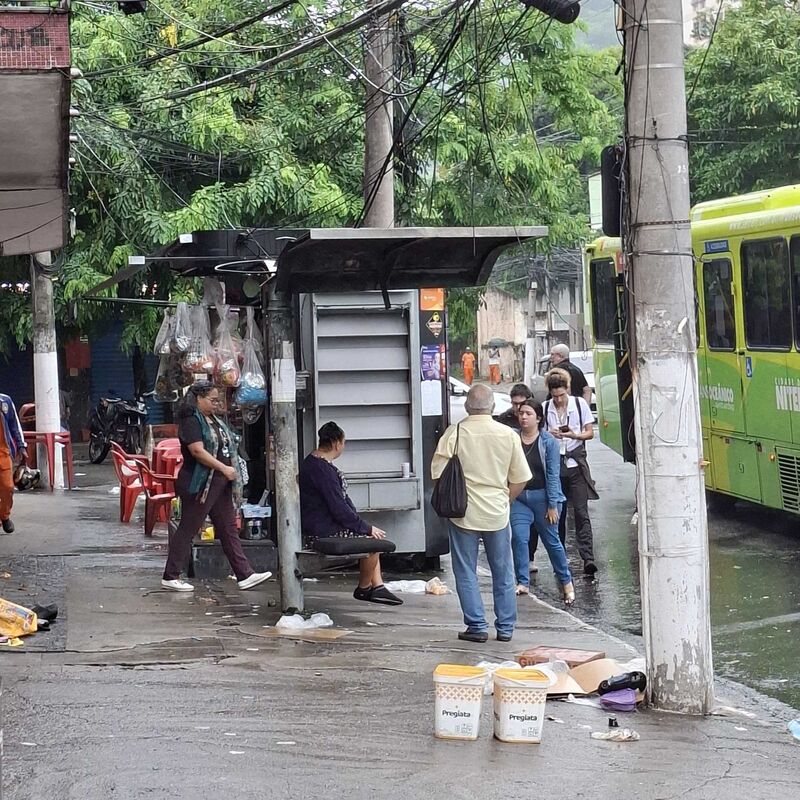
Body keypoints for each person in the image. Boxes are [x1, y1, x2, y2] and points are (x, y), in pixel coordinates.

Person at [431, 384, 531, 643]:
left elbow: (437, 475)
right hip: (497, 512)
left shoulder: (456, 433)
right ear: (493, 406)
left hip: (463, 513)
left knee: (465, 570)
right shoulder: (507, 434)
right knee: (503, 571)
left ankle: (476, 626)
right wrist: (505, 499)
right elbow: (521, 478)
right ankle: (506, 628)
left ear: (466, 406)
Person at [162, 381, 272, 592]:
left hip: (219, 482)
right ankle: (171, 574)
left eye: (217, 400)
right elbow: (197, 451)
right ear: (198, 399)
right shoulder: (191, 420)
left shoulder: (213, 420)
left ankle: (244, 574)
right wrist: (223, 467)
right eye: (212, 400)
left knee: (228, 528)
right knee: (188, 527)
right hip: (201, 482)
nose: (216, 404)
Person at [299, 422, 402, 606]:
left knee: (370, 536)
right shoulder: (323, 470)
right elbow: (338, 506)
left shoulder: (313, 462)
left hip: (320, 524)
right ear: (337, 443)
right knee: (372, 543)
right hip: (323, 529)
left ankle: (378, 586)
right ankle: (364, 588)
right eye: (344, 442)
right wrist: (365, 527)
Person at [509, 400, 574, 604]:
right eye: (521, 414)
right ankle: (522, 582)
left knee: (551, 541)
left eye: (528, 414)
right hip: (519, 497)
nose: (524, 417)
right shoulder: (512, 439)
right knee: (519, 538)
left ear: (538, 418)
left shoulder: (548, 442)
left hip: (543, 497)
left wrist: (553, 504)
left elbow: (553, 474)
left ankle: (566, 582)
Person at [544, 369, 599, 576]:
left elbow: (589, 433)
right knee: (558, 513)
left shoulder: (579, 404)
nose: (558, 400)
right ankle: (561, 560)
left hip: (575, 465)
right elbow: (538, 433)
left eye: (561, 395)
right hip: (555, 467)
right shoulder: (546, 407)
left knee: (581, 512)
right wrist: (550, 434)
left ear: (567, 389)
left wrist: (574, 434)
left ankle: (588, 558)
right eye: (554, 396)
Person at [0, 393, 27, 534]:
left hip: (3, 453)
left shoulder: (5, 401)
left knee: (8, 487)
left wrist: (22, 447)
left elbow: (14, 425)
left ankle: (4, 516)